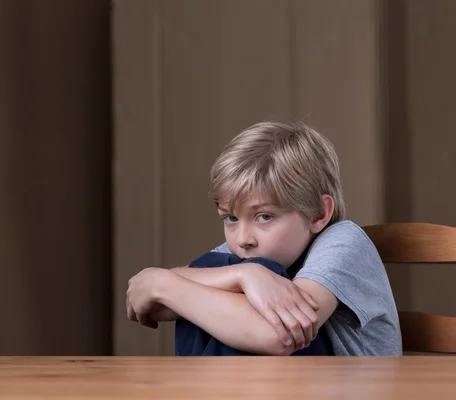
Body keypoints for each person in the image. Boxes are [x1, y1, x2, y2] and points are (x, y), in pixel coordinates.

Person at [126, 121, 402, 356]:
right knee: (215, 272)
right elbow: (151, 305)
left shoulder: (344, 241)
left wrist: (159, 281)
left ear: (319, 213)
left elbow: (277, 336)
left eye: (264, 217)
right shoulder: (246, 258)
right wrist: (244, 275)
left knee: (220, 286)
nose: (244, 238)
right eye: (230, 218)